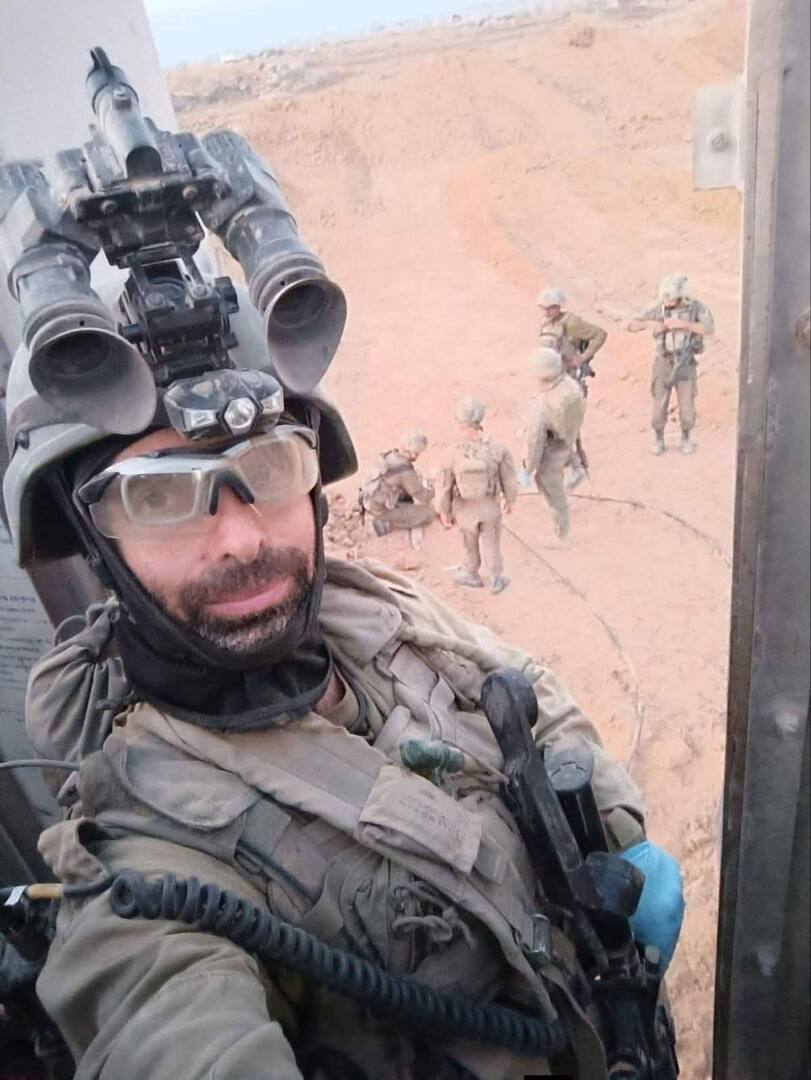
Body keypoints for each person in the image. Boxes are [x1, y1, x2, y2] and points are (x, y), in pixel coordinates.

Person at [3, 196, 684, 1080]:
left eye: (268, 466)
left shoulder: (366, 605)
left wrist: (608, 831)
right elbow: (173, 1023)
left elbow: (524, 686)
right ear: (96, 541)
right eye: (160, 496)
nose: (240, 537)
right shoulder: (145, 856)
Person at [627, 273, 715, 455]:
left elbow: (709, 329)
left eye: (671, 299)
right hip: (663, 363)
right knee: (658, 407)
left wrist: (684, 324)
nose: (667, 302)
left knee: (687, 407)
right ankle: (659, 439)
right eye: (665, 299)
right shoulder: (659, 309)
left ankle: (686, 437)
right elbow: (631, 324)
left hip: (685, 363)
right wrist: (652, 325)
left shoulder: (696, 308)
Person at [436, 397, 517, 595]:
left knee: (469, 543)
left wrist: (444, 511)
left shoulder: (452, 453)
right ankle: (496, 578)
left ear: (460, 424)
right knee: (492, 543)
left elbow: (444, 487)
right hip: (490, 508)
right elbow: (509, 480)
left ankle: (471, 573)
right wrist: (510, 501)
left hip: (465, 511)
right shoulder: (498, 449)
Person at [537, 287, 606, 488]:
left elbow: (600, 334)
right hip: (553, 379)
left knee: (566, 423)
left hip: (570, 380)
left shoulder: (572, 323)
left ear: (558, 306)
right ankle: (574, 462)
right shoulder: (545, 325)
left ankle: (578, 467)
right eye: (543, 308)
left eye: (549, 308)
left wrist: (582, 358)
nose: (546, 311)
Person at [522, 348, 586, 543]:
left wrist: (527, 470)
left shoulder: (543, 407)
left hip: (551, 454)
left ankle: (561, 537)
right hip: (567, 439)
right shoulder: (572, 386)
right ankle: (577, 467)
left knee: (554, 495)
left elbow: (534, 444)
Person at [359, 430, 436, 547]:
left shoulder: (389, 455)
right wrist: (433, 490)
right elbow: (422, 496)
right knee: (428, 514)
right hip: (379, 508)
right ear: (413, 452)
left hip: (368, 497)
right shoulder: (405, 471)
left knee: (412, 483)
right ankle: (385, 522)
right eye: (418, 452)